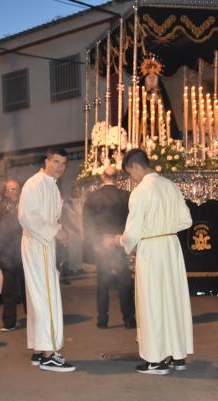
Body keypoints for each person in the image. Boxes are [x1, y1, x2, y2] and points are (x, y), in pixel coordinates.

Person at [112, 149, 193, 375]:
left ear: (135, 167)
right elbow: (186, 220)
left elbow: (132, 232)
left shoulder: (140, 192)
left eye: (130, 173)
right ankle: (177, 354)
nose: (132, 178)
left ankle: (155, 360)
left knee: (152, 303)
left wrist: (120, 240)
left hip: (152, 250)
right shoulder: (170, 186)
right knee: (172, 300)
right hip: (171, 248)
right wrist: (165, 229)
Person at [18, 148, 75, 372]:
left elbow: (50, 216)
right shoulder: (36, 183)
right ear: (46, 161)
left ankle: (40, 349)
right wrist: (55, 232)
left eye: (64, 163)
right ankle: (49, 353)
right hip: (38, 243)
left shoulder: (50, 184)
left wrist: (60, 232)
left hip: (41, 242)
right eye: (56, 161)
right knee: (47, 297)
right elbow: (26, 216)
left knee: (39, 297)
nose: (60, 166)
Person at [83, 166, 135, 329]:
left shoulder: (92, 197)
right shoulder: (126, 196)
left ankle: (102, 320)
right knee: (125, 282)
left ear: (102, 177)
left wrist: (96, 241)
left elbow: (87, 222)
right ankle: (128, 319)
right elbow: (131, 221)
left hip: (101, 245)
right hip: (119, 242)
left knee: (103, 283)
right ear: (117, 177)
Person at [0, 179, 26, 331]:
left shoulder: (25, 207)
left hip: (24, 251)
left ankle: (34, 320)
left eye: (16, 189)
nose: (13, 192)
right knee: (9, 289)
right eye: (10, 190)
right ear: (5, 192)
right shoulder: (0, 209)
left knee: (28, 289)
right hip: (7, 253)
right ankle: (9, 322)